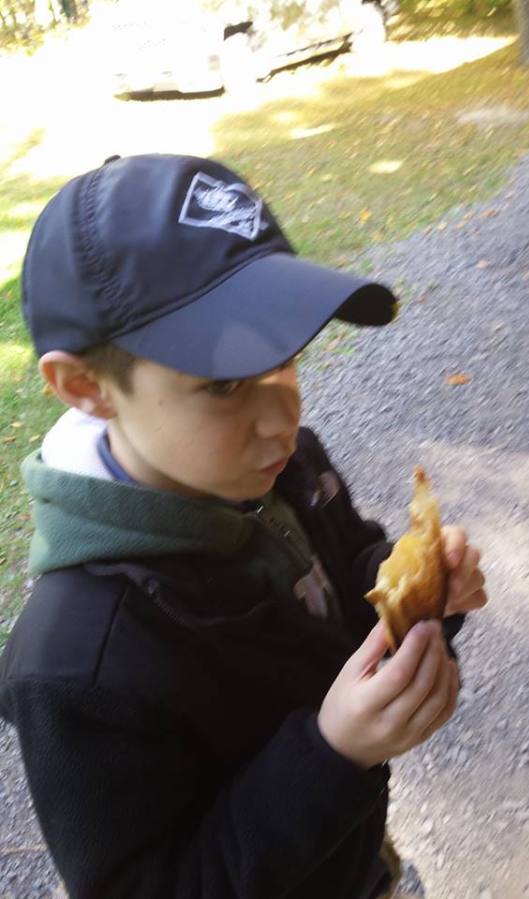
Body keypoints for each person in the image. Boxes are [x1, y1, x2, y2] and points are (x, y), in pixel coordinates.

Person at [0, 153, 487, 899]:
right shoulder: (78, 667)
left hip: (350, 859)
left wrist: (415, 593)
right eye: (224, 382)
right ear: (85, 386)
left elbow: (349, 565)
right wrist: (331, 757)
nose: (281, 417)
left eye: (284, 358)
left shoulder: (280, 465)